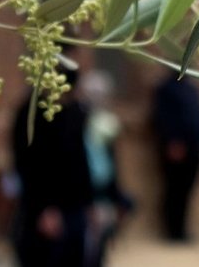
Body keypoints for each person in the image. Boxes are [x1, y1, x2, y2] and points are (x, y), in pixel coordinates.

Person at [12, 63, 94, 267]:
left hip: (73, 207)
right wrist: (44, 208)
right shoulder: (32, 114)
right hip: (46, 211)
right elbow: (31, 165)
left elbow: (79, 160)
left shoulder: (72, 111)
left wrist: (88, 202)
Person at [80, 71, 130, 267]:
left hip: (103, 191)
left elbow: (110, 162)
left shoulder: (105, 123)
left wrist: (115, 196)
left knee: (100, 244)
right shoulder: (77, 121)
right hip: (86, 194)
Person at [151, 74, 199, 243]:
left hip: (193, 148)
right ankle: (172, 231)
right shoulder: (166, 89)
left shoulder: (192, 89)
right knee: (174, 190)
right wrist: (173, 141)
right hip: (176, 148)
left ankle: (181, 229)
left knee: (186, 191)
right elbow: (163, 117)